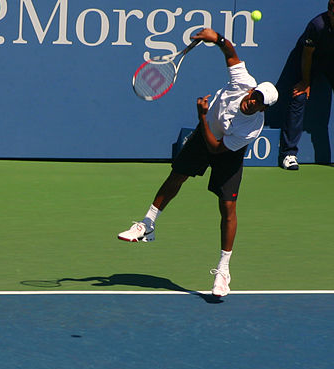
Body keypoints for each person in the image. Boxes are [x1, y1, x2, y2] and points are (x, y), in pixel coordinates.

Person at [117, 28, 278, 297]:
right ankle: (147, 224)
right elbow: (230, 53)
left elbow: (216, 150)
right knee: (176, 175)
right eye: (254, 95)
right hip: (207, 134)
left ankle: (223, 270)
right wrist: (218, 38)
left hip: (224, 150)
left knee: (227, 208)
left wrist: (202, 116)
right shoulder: (243, 82)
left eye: (259, 103)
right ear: (252, 90)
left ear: (263, 109)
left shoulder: (252, 127)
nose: (252, 101)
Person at [280, 0, 334, 170]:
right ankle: (289, 154)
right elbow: (307, 55)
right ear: (329, 13)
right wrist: (305, 82)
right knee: (299, 95)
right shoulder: (317, 25)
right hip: (311, 61)